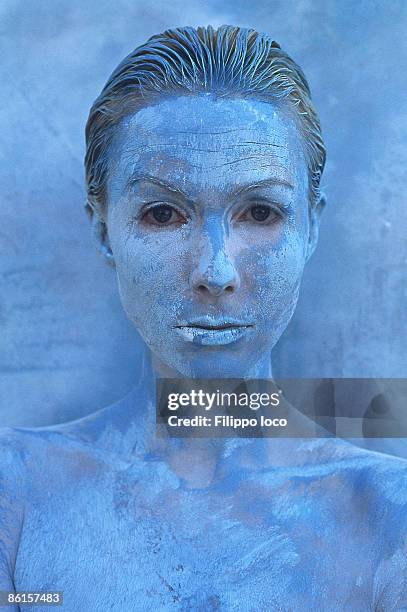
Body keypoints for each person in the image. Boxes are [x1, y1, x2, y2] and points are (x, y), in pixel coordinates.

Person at [1, 25, 406, 611]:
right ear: (102, 228)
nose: (215, 270)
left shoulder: (388, 517)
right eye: (163, 214)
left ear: (310, 227)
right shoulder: (17, 491)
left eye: (260, 212)